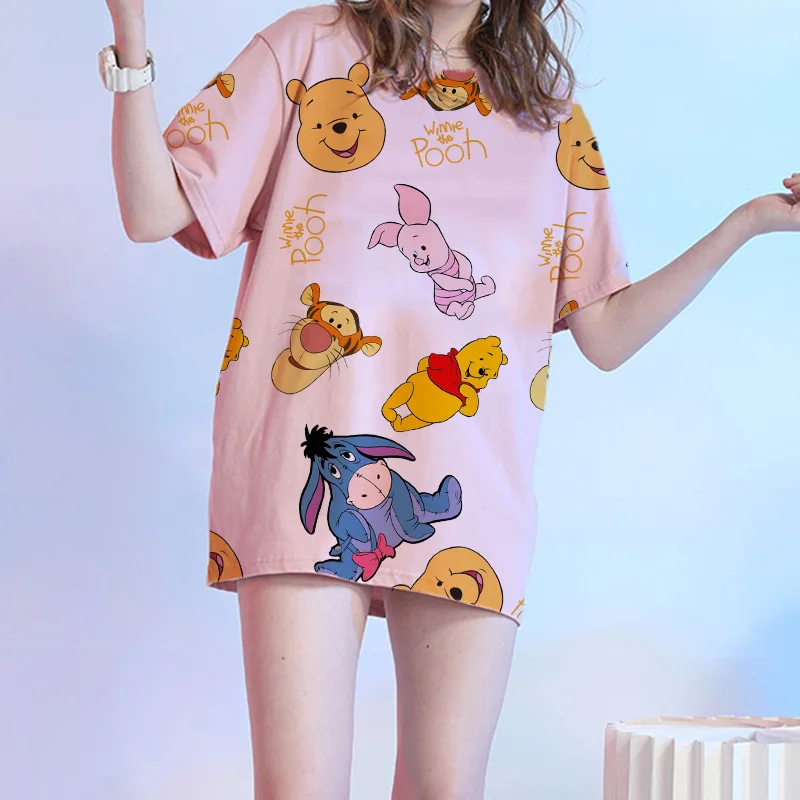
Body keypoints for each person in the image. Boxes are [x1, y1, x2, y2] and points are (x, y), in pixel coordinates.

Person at [100, 0, 800, 796]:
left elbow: (606, 332)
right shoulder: (309, 50)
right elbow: (154, 212)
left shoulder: (548, 121)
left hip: (469, 495)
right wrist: (131, 43)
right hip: (307, 472)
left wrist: (749, 221)